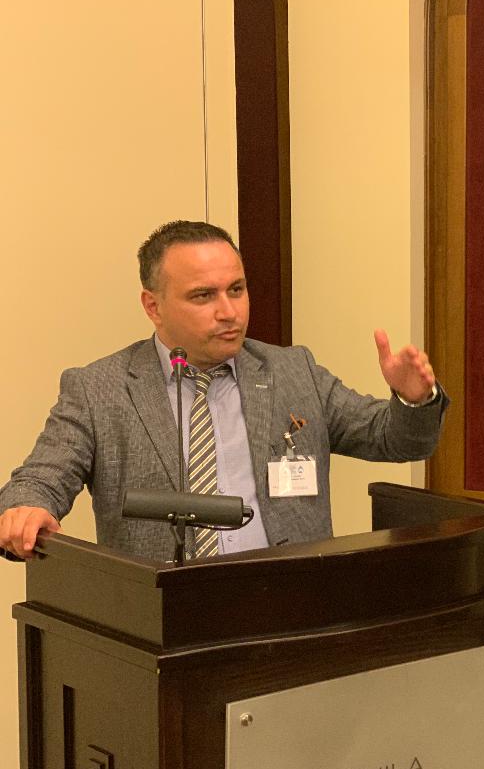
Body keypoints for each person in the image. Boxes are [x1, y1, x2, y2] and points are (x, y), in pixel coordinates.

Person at [0, 220, 447, 562]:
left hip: (290, 605)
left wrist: (413, 400)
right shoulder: (99, 389)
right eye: (203, 296)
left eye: (237, 289)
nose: (229, 311)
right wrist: (27, 508)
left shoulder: (293, 371)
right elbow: (40, 478)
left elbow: (397, 440)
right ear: (153, 306)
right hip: (164, 620)